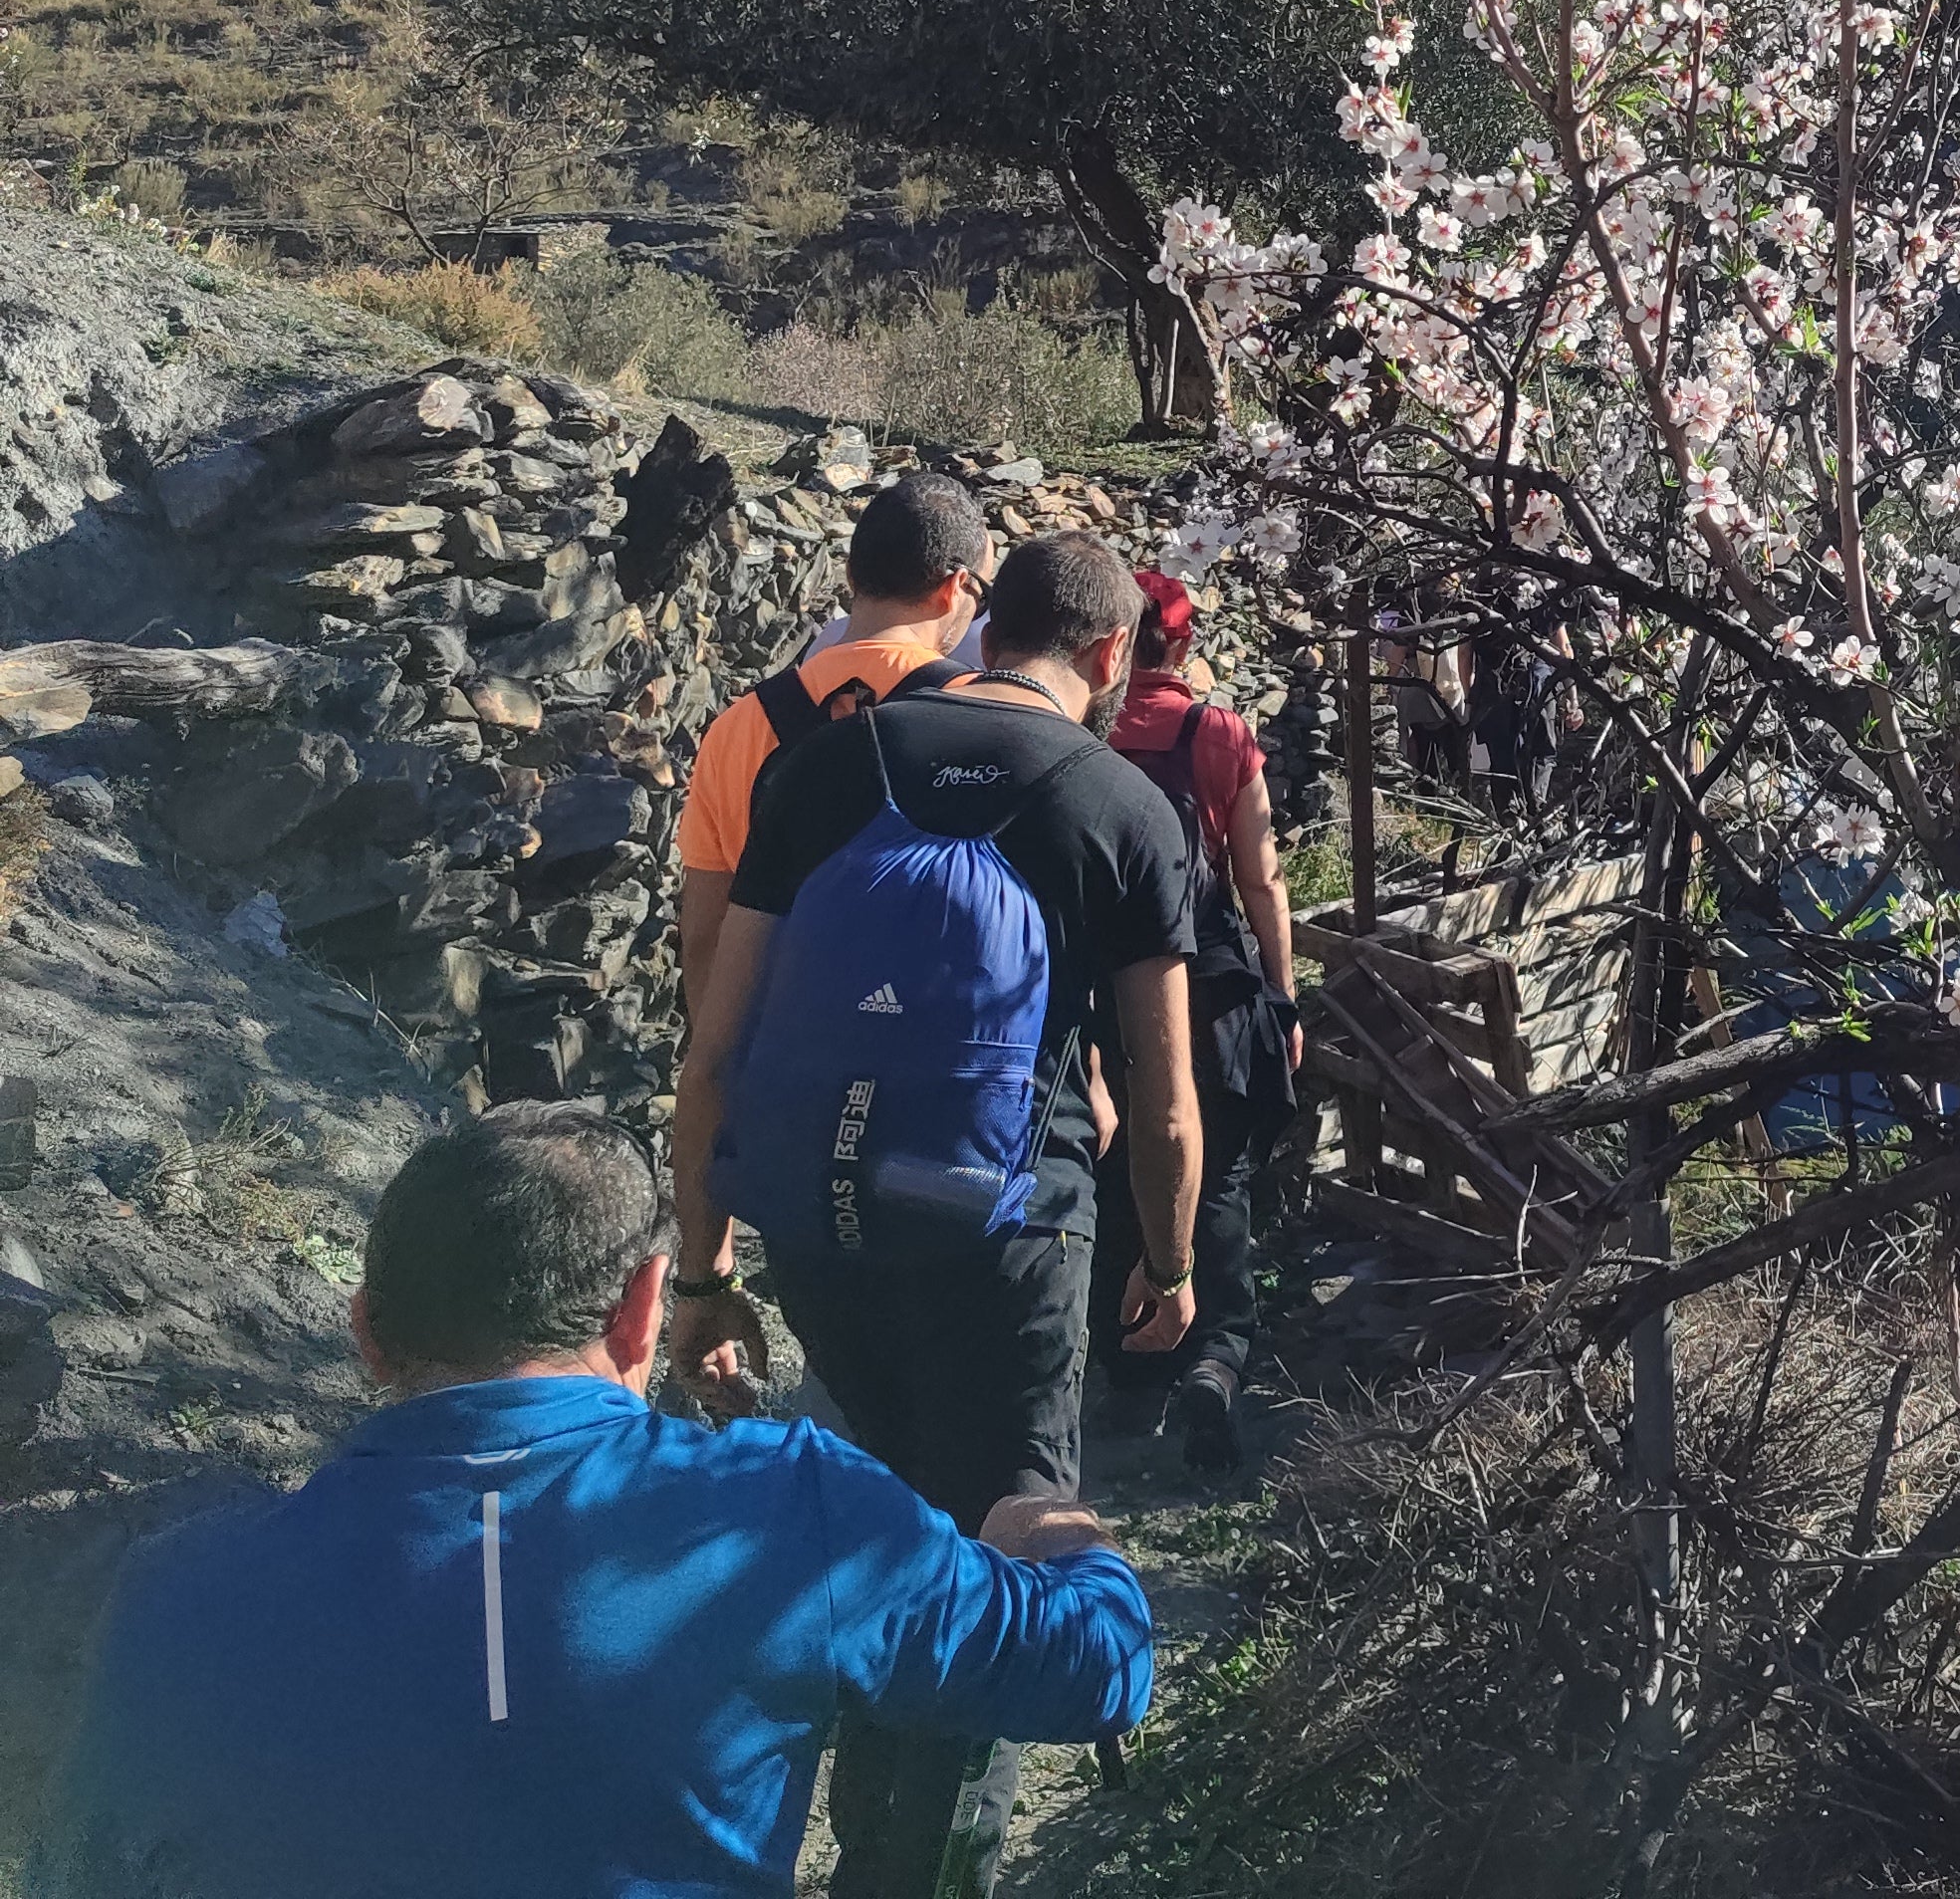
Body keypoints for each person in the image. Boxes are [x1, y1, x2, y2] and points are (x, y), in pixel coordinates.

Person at [34, 1104, 1150, 1899]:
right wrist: (1058, 1535)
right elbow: (1103, 1669)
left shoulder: (164, 1600)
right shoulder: (791, 1507)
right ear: (642, 1312)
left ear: (367, 1330)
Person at [665, 530, 1203, 1896]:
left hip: (826, 1223)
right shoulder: (1122, 808)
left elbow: (712, 1055)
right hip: (1014, 1232)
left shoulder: (824, 766)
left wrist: (705, 1273)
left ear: (984, 625)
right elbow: (1170, 1095)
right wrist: (1174, 1264)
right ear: (1106, 656)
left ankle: (855, 1827)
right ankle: (921, 1867)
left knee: (881, 1509)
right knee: (1010, 1528)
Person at [1090, 570, 1300, 1468]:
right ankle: (1216, 1361)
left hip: (1103, 994)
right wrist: (1282, 997)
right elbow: (1260, 878)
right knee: (1217, 1178)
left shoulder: (1079, 736)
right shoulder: (1217, 734)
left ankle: (1130, 1377)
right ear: (1179, 645)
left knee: (1113, 1178)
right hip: (1209, 991)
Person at [671, 472, 994, 989]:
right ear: (954, 590)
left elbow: (707, 932)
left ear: (849, 573)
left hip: (777, 1043)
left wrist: (718, 1062)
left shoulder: (738, 727)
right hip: (931, 1048)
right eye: (983, 592)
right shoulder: (989, 717)